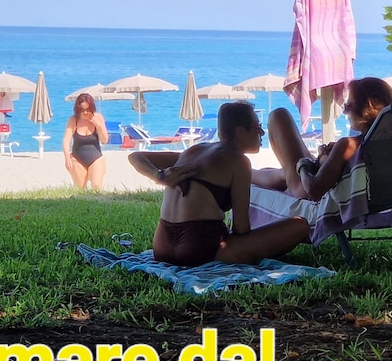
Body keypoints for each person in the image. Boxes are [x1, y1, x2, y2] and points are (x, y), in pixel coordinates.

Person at [128, 102, 310, 266]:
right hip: (199, 249)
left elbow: (135, 156)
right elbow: (241, 229)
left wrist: (159, 175)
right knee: (300, 225)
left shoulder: (194, 150)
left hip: (161, 248)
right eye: (258, 127)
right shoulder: (239, 161)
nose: (262, 133)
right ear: (240, 131)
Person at [252, 77, 392, 201]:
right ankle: (247, 173)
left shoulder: (349, 145)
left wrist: (303, 166)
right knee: (281, 174)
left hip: (304, 191)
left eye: (348, 105)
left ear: (367, 108)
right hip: (364, 195)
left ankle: (245, 173)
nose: (345, 110)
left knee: (278, 116)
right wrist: (328, 156)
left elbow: (314, 191)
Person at [63, 92, 110, 191]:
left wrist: (99, 126)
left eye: (88, 110)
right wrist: (67, 158)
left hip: (96, 157)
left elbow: (104, 140)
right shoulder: (73, 120)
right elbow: (66, 140)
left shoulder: (98, 117)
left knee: (97, 187)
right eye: (82, 110)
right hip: (77, 158)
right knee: (80, 189)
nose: (85, 113)